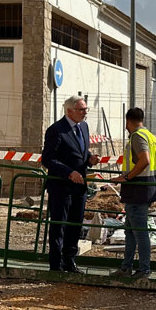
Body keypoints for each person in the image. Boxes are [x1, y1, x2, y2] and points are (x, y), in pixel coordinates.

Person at [40, 95, 100, 273]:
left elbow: (80, 150)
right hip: (61, 187)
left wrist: (89, 158)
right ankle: (56, 265)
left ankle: (70, 261)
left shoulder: (83, 127)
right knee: (59, 226)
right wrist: (68, 172)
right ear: (69, 111)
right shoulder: (56, 130)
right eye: (81, 110)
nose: (85, 113)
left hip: (79, 187)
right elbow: (48, 159)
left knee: (75, 225)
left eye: (86, 109)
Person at [110, 107, 156, 280]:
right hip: (143, 187)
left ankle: (144, 269)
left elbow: (144, 160)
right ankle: (126, 267)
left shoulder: (137, 137)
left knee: (139, 231)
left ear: (128, 121)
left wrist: (127, 177)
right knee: (130, 231)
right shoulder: (151, 136)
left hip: (138, 188)